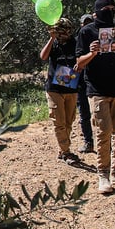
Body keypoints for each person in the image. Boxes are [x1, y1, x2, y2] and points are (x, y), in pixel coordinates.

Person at [76, 0, 115, 195]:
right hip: (98, 90)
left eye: (112, 8)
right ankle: (102, 174)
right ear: (96, 12)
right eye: (105, 8)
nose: (109, 11)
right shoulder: (86, 32)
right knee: (103, 133)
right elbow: (79, 62)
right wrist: (92, 53)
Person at [39, 18, 83, 165]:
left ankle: (62, 149)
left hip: (71, 86)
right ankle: (66, 152)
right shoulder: (54, 44)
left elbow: (81, 59)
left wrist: (79, 66)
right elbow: (43, 56)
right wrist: (51, 39)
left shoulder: (75, 43)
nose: (61, 34)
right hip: (54, 89)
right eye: (59, 32)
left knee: (69, 121)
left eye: (64, 31)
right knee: (59, 122)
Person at [76, 14, 95, 152]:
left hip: (95, 83)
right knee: (84, 115)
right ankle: (88, 142)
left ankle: (106, 145)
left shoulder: (101, 40)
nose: (87, 25)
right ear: (81, 24)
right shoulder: (76, 40)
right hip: (81, 83)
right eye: (85, 23)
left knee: (99, 116)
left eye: (90, 22)